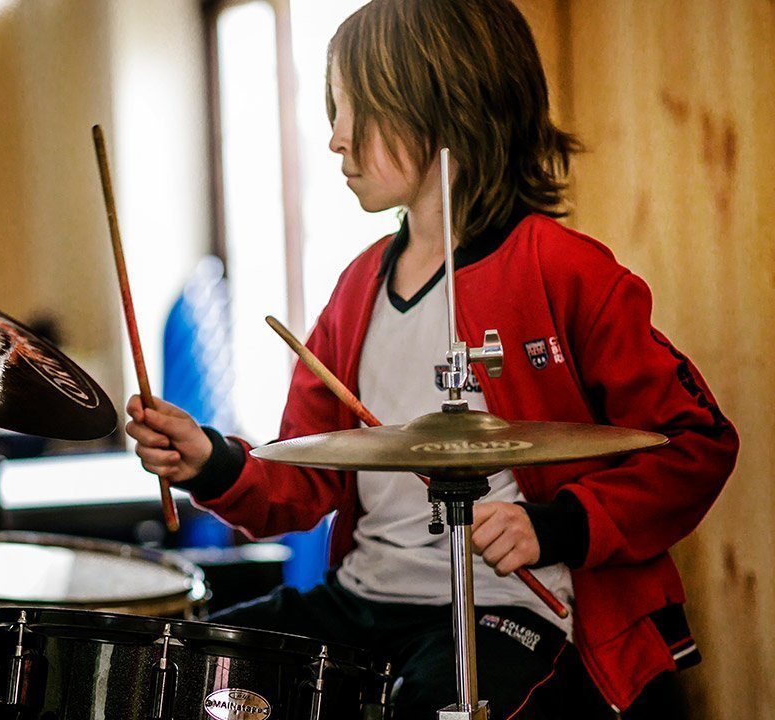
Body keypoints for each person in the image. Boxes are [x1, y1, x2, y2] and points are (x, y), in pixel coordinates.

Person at [124, 0, 739, 717]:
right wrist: (211, 461)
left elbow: (697, 443)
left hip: (518, 609)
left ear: (444, 106)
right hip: (364, 598)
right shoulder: (357, 288)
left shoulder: (564, 272)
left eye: (357, 111)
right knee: (183, 672)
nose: (335, 138)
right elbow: (304, 478)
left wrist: (558, 526)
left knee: (432, 703)